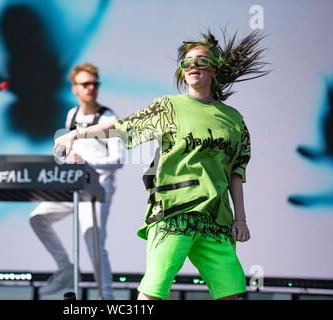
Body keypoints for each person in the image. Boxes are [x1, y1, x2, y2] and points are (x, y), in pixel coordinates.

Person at [54, 29, 270, 300]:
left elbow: (236, 173)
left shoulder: (234, 119)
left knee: (230, 293)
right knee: (153, 292)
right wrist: (75, 134)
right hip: (173, 214)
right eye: (187, 63)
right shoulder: (169, 107)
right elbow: (122, 126)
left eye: (201, 61)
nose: (192, 66)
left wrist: (241, 218)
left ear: (214, 69)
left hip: (216, 220)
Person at [30, 63, 124, 300]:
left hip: (97, 189)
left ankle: (106, 298)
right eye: (86, 84)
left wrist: (87, 163)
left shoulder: (108, 117)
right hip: (71, 187)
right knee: (38, 218)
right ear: (74, 88)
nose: (91, 88)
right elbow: (62, 153)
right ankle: (66, 268)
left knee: (92, 240)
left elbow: (118, 159)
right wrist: (63, 155)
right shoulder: (71, 115)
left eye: (95, 83)